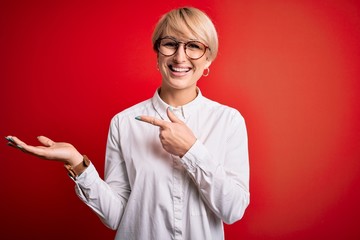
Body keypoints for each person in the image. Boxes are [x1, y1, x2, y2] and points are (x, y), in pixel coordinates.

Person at [5, 7, 250, 240]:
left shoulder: (229, 121)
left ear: (208, 59)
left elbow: (233, 210)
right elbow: (116, 217)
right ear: (157, 53)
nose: (180, 56)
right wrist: (77, 164)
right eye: (170, 44)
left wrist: (191, 151)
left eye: (194, 46)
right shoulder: (124, 123)